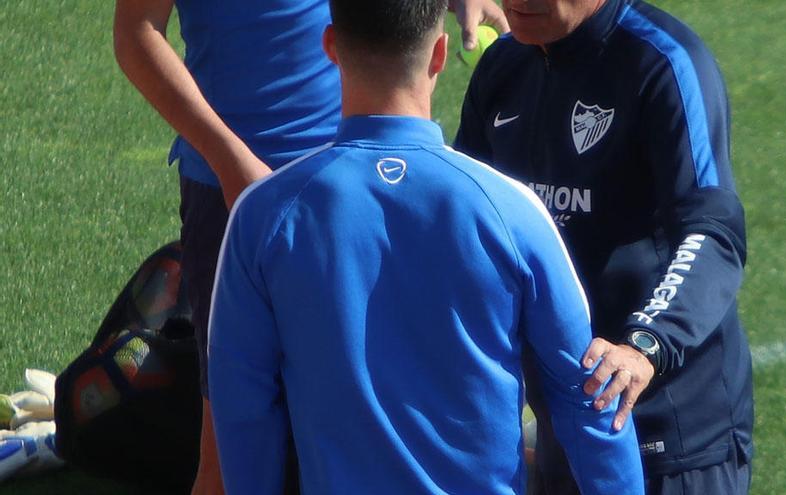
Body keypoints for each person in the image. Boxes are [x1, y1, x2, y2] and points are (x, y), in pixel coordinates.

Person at [207, 0, 644, 493]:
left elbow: (240, 404)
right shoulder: (512, 210)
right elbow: (590, 397)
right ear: (439, 54)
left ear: (330, 46)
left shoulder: (265, 215)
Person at [112, 0, 507, 492]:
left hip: (354, 175)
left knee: (372, 414)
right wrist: (228, 160)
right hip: (231, 190)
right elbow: (136, 36)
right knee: (228, 451)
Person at [454, 0, 753, 493]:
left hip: (667, 430)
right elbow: (469, 225)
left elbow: (713, 232)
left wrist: (646, 345)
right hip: (565, 420)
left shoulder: (663, 63)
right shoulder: (504, 66)